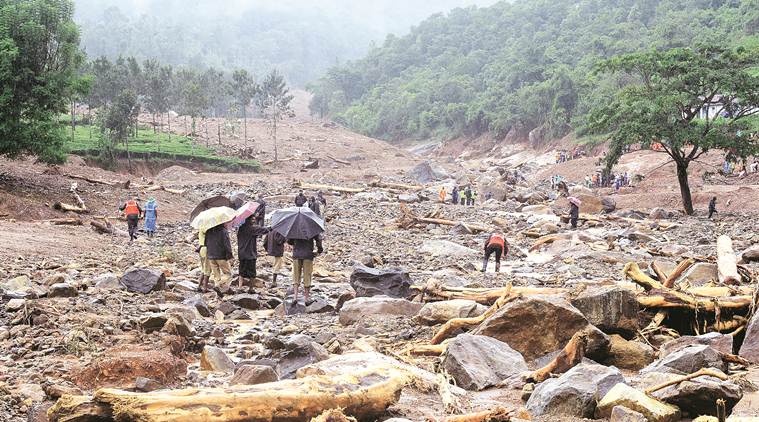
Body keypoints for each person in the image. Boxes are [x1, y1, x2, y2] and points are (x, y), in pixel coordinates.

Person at [288, 234, 324, 304]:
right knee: (307, 275)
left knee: (296, 275)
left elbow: (289, 241)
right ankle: (306, 298)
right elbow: (319, 239)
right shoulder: (311, 227)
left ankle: (295, 297)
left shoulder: (294, 227)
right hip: (308, 254)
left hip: (296, 254)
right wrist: (319, 250)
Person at [237, 216, 269, 292]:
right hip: (250, 254)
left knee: (241, 272)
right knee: (252, 273)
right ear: (248, 220)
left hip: (242, 253)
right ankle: (251, 288)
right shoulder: (252, 228)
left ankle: (240, 287)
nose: (254, 221)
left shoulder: (241, 228)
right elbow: (264, 230)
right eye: (252, 219)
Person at [205, 224, 233, 294]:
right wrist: (230, 255)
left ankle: (218, 294)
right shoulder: (223, 231)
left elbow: (205, 243)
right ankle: (218, 285)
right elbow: (227, 244)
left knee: (216, 276)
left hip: (211, 256)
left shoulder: (208, 231)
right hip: (221, 256)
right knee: (228, 274)